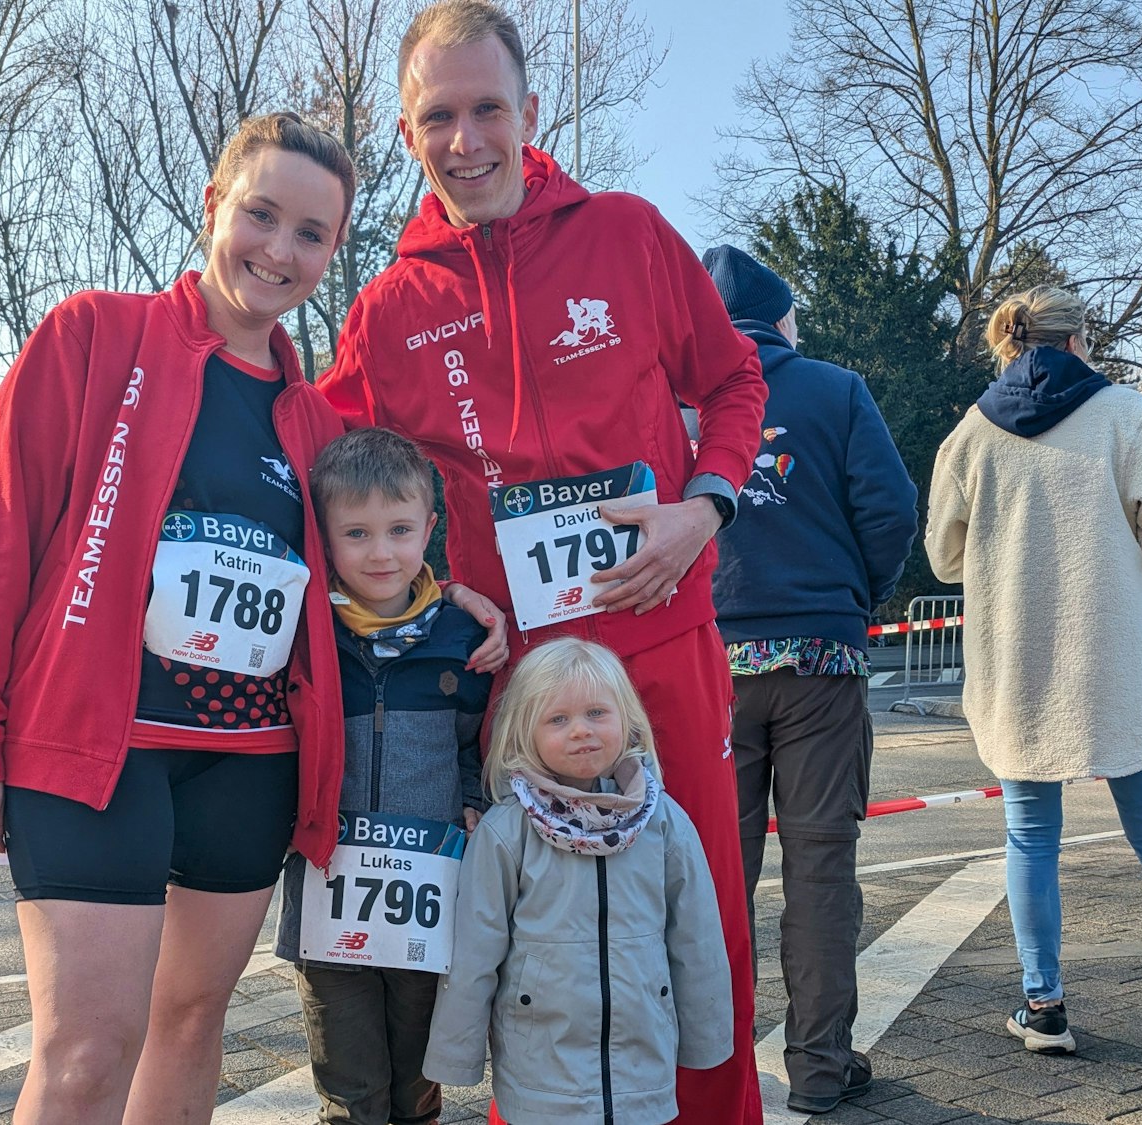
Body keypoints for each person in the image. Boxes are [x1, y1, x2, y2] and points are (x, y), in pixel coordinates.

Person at [0, 114, 504, 1124]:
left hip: (248, 765)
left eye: (310, 234)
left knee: (189, 1025)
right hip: (99, 755)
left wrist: (446, 598)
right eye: (261, 215)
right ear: (212, 209)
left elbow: (364, 571)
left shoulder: (315, 420)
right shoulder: (91, 337)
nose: (278, 250)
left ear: (332, 251)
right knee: (86, 1051)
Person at [317, 4, 768, 1120]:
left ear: (529, 111)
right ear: (406, 130)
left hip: (658, 643)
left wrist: (700, 510)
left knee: (694, 921)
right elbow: (326, 471)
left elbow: (732, 385)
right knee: (536, 951)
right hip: (514, 680)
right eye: (438, 117)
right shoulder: (385, 309)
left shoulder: (627, 233)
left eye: (484, 110)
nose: (464, 139)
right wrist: (424, 591)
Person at [925, 286, 1142, 1060]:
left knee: (1030, 835)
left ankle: (1044, 1008)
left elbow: (943, 555)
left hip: (1020, 656)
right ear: (1079, 339)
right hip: (1115, 654)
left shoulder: (971, 433)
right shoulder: (1126, 414)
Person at [699, 245, 918, 1113]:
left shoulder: (679, 401)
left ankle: (713, 1070)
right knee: (822, 868)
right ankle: (821, 1067)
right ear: (783, 319)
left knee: (719, 871)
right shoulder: (836, 389)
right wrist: (853, 599)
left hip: (708, 664)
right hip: (821, 662)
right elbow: (892, 507)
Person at [271, 428, 493, 1125]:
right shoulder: (304, 632)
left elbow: (475, 741)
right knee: (348, 1082)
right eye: (357, 533)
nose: (381, 552)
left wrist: (472, 799)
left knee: (418, 1076)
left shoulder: (462, 637)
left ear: (429, 528)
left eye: (399, 529)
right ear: (326, 538)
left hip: (428, 889)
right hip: (328, 887)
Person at [422, 637, 734, 1125]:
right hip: (540, 1068)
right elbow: (475, 953)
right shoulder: (508, 832)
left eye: (596, 713)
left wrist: (708, 1037)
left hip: (643, 1062)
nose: (580, 732)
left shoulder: (663, 822)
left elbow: (697, 940)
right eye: (558, 719)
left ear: (626, 720)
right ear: (526, 731)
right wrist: (456, 1056)